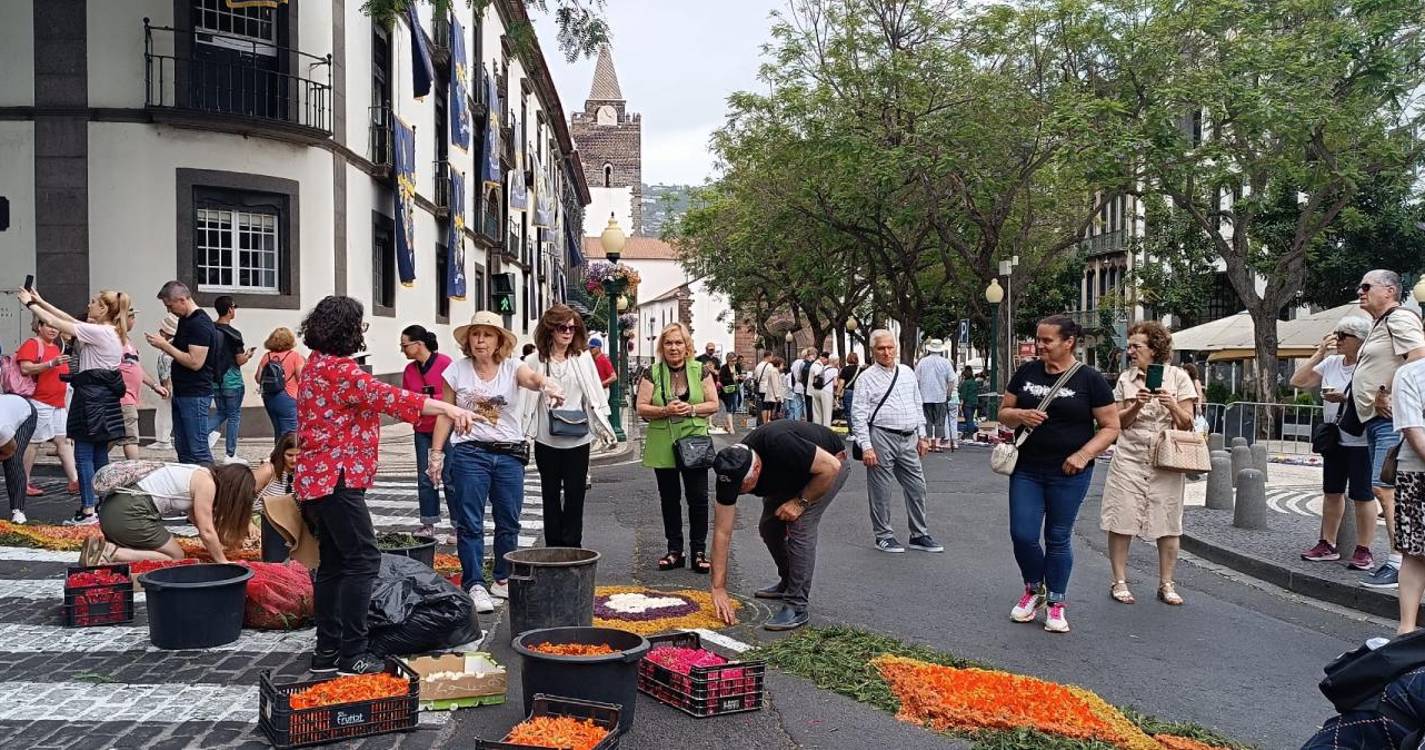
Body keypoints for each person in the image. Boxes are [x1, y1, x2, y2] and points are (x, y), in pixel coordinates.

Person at [295, 295, 478, 676]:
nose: (362, 332)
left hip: (317, 478)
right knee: (363, 561)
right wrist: (449, 407)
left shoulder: (315, 365)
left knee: (333, 564)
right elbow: (390, 398)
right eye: (359, 326)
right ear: (346, 331)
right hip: (338, 477)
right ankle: (352, 654)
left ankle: (326, 651)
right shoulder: (341, 371)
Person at [430, 310, 564, 614]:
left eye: (487, 335)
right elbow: (444, 412)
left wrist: (548, 386)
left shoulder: (512, 367)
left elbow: (531, 378)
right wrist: (435, 454)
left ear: (499, 341)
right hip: (469, 453)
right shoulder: (456, 371)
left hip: (508, 454)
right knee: (470, 522)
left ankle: (502, 578)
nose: (480, 340)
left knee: (508, 520)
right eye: (475, 334)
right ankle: (474, 582)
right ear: (468, 340)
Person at [999, 315, 1120, 634]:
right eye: (1038, 339)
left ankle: (1056, 602)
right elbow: (1003, 413)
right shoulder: (1026, 372)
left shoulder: (1090, 379)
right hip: (1027, 468)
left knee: (1057, 536)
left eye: (1047, 340)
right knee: (1023, 534)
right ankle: (1034, 589)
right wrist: (1019, 415)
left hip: (1069, 472)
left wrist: (1083, 455)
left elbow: (1111, 427)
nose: (1039, 345)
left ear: (1069, 342)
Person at [709, 420, 851, 631]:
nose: (741, 492)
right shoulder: (729, 471)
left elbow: (831, 467)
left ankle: (796, 605)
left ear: (757, 469)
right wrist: (718, 587)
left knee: (799, 524)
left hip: (826, 470)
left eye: (745, 487)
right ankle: (788, 580)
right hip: (790, 475)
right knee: (769, 527)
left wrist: (800, 502)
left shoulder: (779, 444)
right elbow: (722, 532)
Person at [1101, 322, 1198, 606]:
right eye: (1129, 346)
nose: (1130, 351)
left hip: (1166, 460)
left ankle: (1166, 583)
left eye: (1136, 346)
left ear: (1154, 349)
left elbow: (1188, 423)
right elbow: (1116, 423)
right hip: (1130, 457)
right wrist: (1137, 405)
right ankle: (1119, 581)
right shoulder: (1125, 380)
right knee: (1122, 519)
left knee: (1168, 521)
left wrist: (1172, 405)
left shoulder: (1179, 377)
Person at [17, 287, 129, 526]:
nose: (88, 305)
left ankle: (88, 510)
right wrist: (42, 300)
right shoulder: (111, 332)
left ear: (103, 309)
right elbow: (66, 320)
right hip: (104, 399)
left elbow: (58, 322)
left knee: (84, 455)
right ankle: (102, 506)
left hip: (90, 399)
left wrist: (29, 304)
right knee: (99, 455)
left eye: (93, 302)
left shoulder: (100, 332)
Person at [1351, 270, 1425, 589]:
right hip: (1378, 418)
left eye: (1367, 286)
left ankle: (1399, 562)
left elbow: (1419, 356)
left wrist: (1386, 392)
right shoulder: (1380, 324)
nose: (1360, 291)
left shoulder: (1399, 319)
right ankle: (1401, 559)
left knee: (1385, 487)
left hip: (1391, 418)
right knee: (1384, 487)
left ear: (1390, 291)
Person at [521, 305, 617, 548]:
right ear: (550, 330)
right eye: (562, 327)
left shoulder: (583, 359)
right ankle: (553, 545)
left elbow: (594, 395)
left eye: (572, 328)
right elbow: (524, 398)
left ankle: (573, 545)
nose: (567, 333)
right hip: (546, 437)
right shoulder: (534, 361)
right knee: (550, 494)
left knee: (576, 494)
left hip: (578, 437)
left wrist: (604, 425)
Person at [1291, 316, 1377, 570]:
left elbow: (1377, 399)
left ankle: (1364, 549)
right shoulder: (1331, 363)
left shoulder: (1369, 365)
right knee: (1332, 492)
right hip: (1335, 437)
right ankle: (1327, 543)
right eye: (1336, 335)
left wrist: (1346, 399)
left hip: (1361, 438)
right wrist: (1319, 353)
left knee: (1363, 495)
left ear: (1360, 340)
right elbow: (1297, 381)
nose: (1336, 340)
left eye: (1343, 336)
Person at [636, 322, 719, 573]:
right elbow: (641, 407)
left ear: (687, 347)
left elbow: (713, 404)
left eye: (678, 343)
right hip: (664, 441)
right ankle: (675, 551)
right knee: (669, 499)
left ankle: (699, 551)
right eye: (669, 343)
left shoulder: (700, 370)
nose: (674, 348)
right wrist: (664, 410)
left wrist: (691, 408)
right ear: (662, 347)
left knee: (698, 499)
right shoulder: (652, 372)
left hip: (694, 441)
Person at [853, 330, 942, 554]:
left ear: (896, 348)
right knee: (881, 490)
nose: (887, 352)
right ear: (873, 351)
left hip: (908, 436)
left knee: (917, 486)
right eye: (881, 348)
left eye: (890, 347)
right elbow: (859, 414)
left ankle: (919, 534)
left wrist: (922, 435)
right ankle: (883, 535)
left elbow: (916, 403)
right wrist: (867, 446)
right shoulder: (866, 378)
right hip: (881, 436)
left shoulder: (907, 372)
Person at [80, 462, 255, 567]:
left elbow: (197, 520)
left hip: (116, 511)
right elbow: (206, 530)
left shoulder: (199, 473)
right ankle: (111, 552)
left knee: (162, 550)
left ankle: (111, 549)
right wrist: (222, 562)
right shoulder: (206, 484)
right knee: (176, 556)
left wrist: (223, 543)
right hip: (129, 513)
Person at [149, 281, 216, 466]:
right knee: (184, 448)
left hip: (195, 393)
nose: (169, 311)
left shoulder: (199, 323)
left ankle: (213, 489)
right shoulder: (186, 321)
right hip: (183, 392)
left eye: (170, 306)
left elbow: (195, 362)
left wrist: (164, 345)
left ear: (182, 299)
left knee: (198, 448)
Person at [15, 316, 77, 497]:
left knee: (64, 441)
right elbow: (25, 368)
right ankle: (23, 482)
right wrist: (51, 364)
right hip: (40, 402)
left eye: (55, 326)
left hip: (57, 403)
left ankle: (74, 481)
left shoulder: (56, 347)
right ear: (39, 326)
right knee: (34, 443)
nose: (53, 330)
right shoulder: (32, 344)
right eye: (48, 326)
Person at [401, 325, 453, 538]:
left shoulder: (445, 364)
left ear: (419, 344)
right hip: (422, 428)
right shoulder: (409, 370)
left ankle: (458, 525)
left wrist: (428, 401)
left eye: (405, 345)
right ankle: (428, 522)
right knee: (425, 477)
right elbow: (405, 399)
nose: (403, 350)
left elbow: (454, 396)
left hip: (446, 429)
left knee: (450, 477)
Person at [1393, 350, 1425, 634]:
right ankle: (1406, 629)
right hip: (1417, 472)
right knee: (1415, 553)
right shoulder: (1411, 374)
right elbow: (1414, 432)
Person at [207, 296, 252, 464]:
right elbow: (239, 360)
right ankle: (230, 454)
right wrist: (247, 355)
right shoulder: (234, 334)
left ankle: (200, 436)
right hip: (232, 381)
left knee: (221, 412)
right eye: (234, 307)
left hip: (214, 380)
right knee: (233, 416)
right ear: (230, 310)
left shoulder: (209, 330)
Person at [118, 308, 168, 460]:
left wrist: (154, 386)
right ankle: (135, 470)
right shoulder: (114, 341)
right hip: (122, 397)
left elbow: (136, 369)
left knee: (116, 436)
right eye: (131, 317)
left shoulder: (128, 341)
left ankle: (90, 463)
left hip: (130, 397)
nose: (134, 321)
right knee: (130, 437)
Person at [253, 432, 299, 563]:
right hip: (263, 521)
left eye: (298, 455)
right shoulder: (269, 470)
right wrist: (248, 524)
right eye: (290, 455)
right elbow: (242, 498)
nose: (294, 460)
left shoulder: (305, 472)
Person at [255, 327, 304, 439]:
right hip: (288, 396)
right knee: (290, 433)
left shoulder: (267, 356)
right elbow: (301, 378)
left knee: (278, 430)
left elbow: (258, 378)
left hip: (269, 397)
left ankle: (278, 455)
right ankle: (286, 456)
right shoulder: (295, 356)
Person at [0, 394, 38, 524]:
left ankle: (18, 510)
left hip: (25, 414)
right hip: (8, 408)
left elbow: (10, 450)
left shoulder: (2, 429)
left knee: (13, 460)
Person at [915, 340, 955, 452]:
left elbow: (916, 379)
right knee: (939, 420)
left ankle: (927, 441)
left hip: (925, 396)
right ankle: (937, 444)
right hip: (940, 396)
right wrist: (949, 394)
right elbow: (951, 380)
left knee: (926, 419)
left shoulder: (922, 362)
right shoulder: (946, 362)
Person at [151, 314, 178, 451]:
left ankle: (163, 440)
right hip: (174, 385)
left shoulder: (168, 347)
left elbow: (166, 366)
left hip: (170, 385)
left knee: (164, 411)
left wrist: (166, 384)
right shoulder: (174, 345)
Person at [838, 352, 865, 433]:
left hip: (849, 392)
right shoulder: (861, 369)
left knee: (849, 412)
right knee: (858, 412)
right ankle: (859, 431)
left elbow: (841, 382)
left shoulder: (845, 369)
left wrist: (837, 393)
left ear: (848, 359)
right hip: (859, 392)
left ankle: (852, 433)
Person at [718, 353, 745, 435]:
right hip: (727, 390)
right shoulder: (724, 368)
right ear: (728, 360)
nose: (734, 362)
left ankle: (727, 424)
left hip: (735, 389)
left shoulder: (737, 367)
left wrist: (741, 378)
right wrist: (732, 378)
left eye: (735, 360)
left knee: (735, 407)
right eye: (733, 361)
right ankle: (731, 427)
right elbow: (722, 379)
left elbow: (739, 378)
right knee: (729, 407)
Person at [787, 348, 815, 421]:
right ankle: (806, 421)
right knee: (806, 405)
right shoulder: (804, 363)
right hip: (803, 386)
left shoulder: (795, 363)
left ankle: (797, 421)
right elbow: (803, 376)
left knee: (798, 406)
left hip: (796, 386)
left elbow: (792, 374)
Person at [810, 355, 837, 427]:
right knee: (827, 413)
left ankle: (817, 430)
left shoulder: (822, 367)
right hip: (826, 392)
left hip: (816, 390)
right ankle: (826, 430)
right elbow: (835, 383)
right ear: (836, 361)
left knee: (817, 413)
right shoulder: (834, 370)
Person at [760, 356, 785, 424]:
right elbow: (775, 384)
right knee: (774, 412)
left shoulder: (773, 370)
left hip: (772, 395)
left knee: (772, 411)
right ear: (778, 364)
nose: (783, 366)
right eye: (782, 364)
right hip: (773, 396)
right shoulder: (774, 371)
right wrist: (778, 396)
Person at [752, 352, 775, 425]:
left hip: (760, 388)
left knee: (763, 405)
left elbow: (755, 377)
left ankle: (763, 422)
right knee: (768, 406)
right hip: (767, 387)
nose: (772, 358)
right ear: (768, 356)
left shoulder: (758, 365)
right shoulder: (770, 366)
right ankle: (767, 422)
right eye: (771, 357)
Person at [958, 365, 981, 437]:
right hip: (974, 402)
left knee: (968, 419)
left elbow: (962, 394)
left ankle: (970, 434)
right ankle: (971, 432)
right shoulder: (974, 382)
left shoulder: (966, 383)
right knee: (971, 418)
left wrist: (961, 404)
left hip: (967, 403)